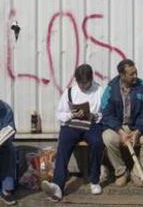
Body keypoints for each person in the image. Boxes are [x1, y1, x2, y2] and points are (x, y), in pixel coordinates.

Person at [42, 64, 105, 201]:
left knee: (98, 143)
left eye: (86, 83)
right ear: (76, 80)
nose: (83, 86)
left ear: (91, 79)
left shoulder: (99, 91)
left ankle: (94, 180)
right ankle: (58, 186)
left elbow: (103, 114)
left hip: (91, 125)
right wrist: (72, 114)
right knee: (63, 145)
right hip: (72, 125)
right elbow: (60, 114)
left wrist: (93, 116)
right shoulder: (70, 92)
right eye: (80, 83)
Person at [101, 59, 143, 187]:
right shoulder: (111, 89)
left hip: (140, 127)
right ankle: (121, 172)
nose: (135, 76)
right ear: (122, 75)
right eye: (131, 74)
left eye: (135, 72)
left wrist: (138, 131)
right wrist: (120, 131)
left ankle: (137, 173)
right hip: (119, 128)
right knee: (107, 138)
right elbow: (107, 113)